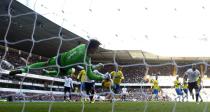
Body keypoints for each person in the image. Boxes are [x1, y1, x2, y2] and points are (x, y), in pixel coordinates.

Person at [9, 39, 105, 81]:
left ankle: (23, 70)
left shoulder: (82, 46)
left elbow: (84, 65)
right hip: (63, 68)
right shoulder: (86, 58)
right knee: (69, 72)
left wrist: (94, 66)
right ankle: (47, 73)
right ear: (92, 48)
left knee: (43, 64)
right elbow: (90, 75)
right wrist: (102, 77)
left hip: (58, 58)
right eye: (96, 48)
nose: (97, 50)